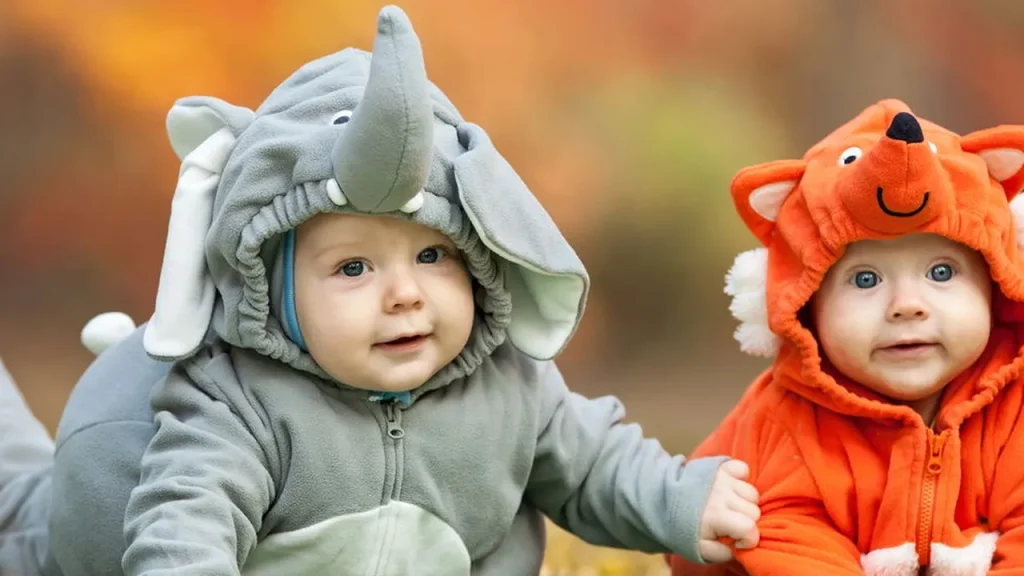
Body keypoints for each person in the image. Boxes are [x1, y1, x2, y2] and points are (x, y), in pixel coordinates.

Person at [0, 6, 761, 575]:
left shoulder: (513, 386)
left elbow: (597, 464)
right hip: (89, 536)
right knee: (24, 518)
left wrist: (680, 498)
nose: (404, 295)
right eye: (353, 269)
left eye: (434, 255)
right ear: (278, 293)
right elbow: (185, 521)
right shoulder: (237, 400)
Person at [667, 98, 1024, 576]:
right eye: (865, 279)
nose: (907, 304)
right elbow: (791, 539)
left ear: (996, 286)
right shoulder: (788, 417)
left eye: (941, 271)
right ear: (808, 304)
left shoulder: (1014, 401)